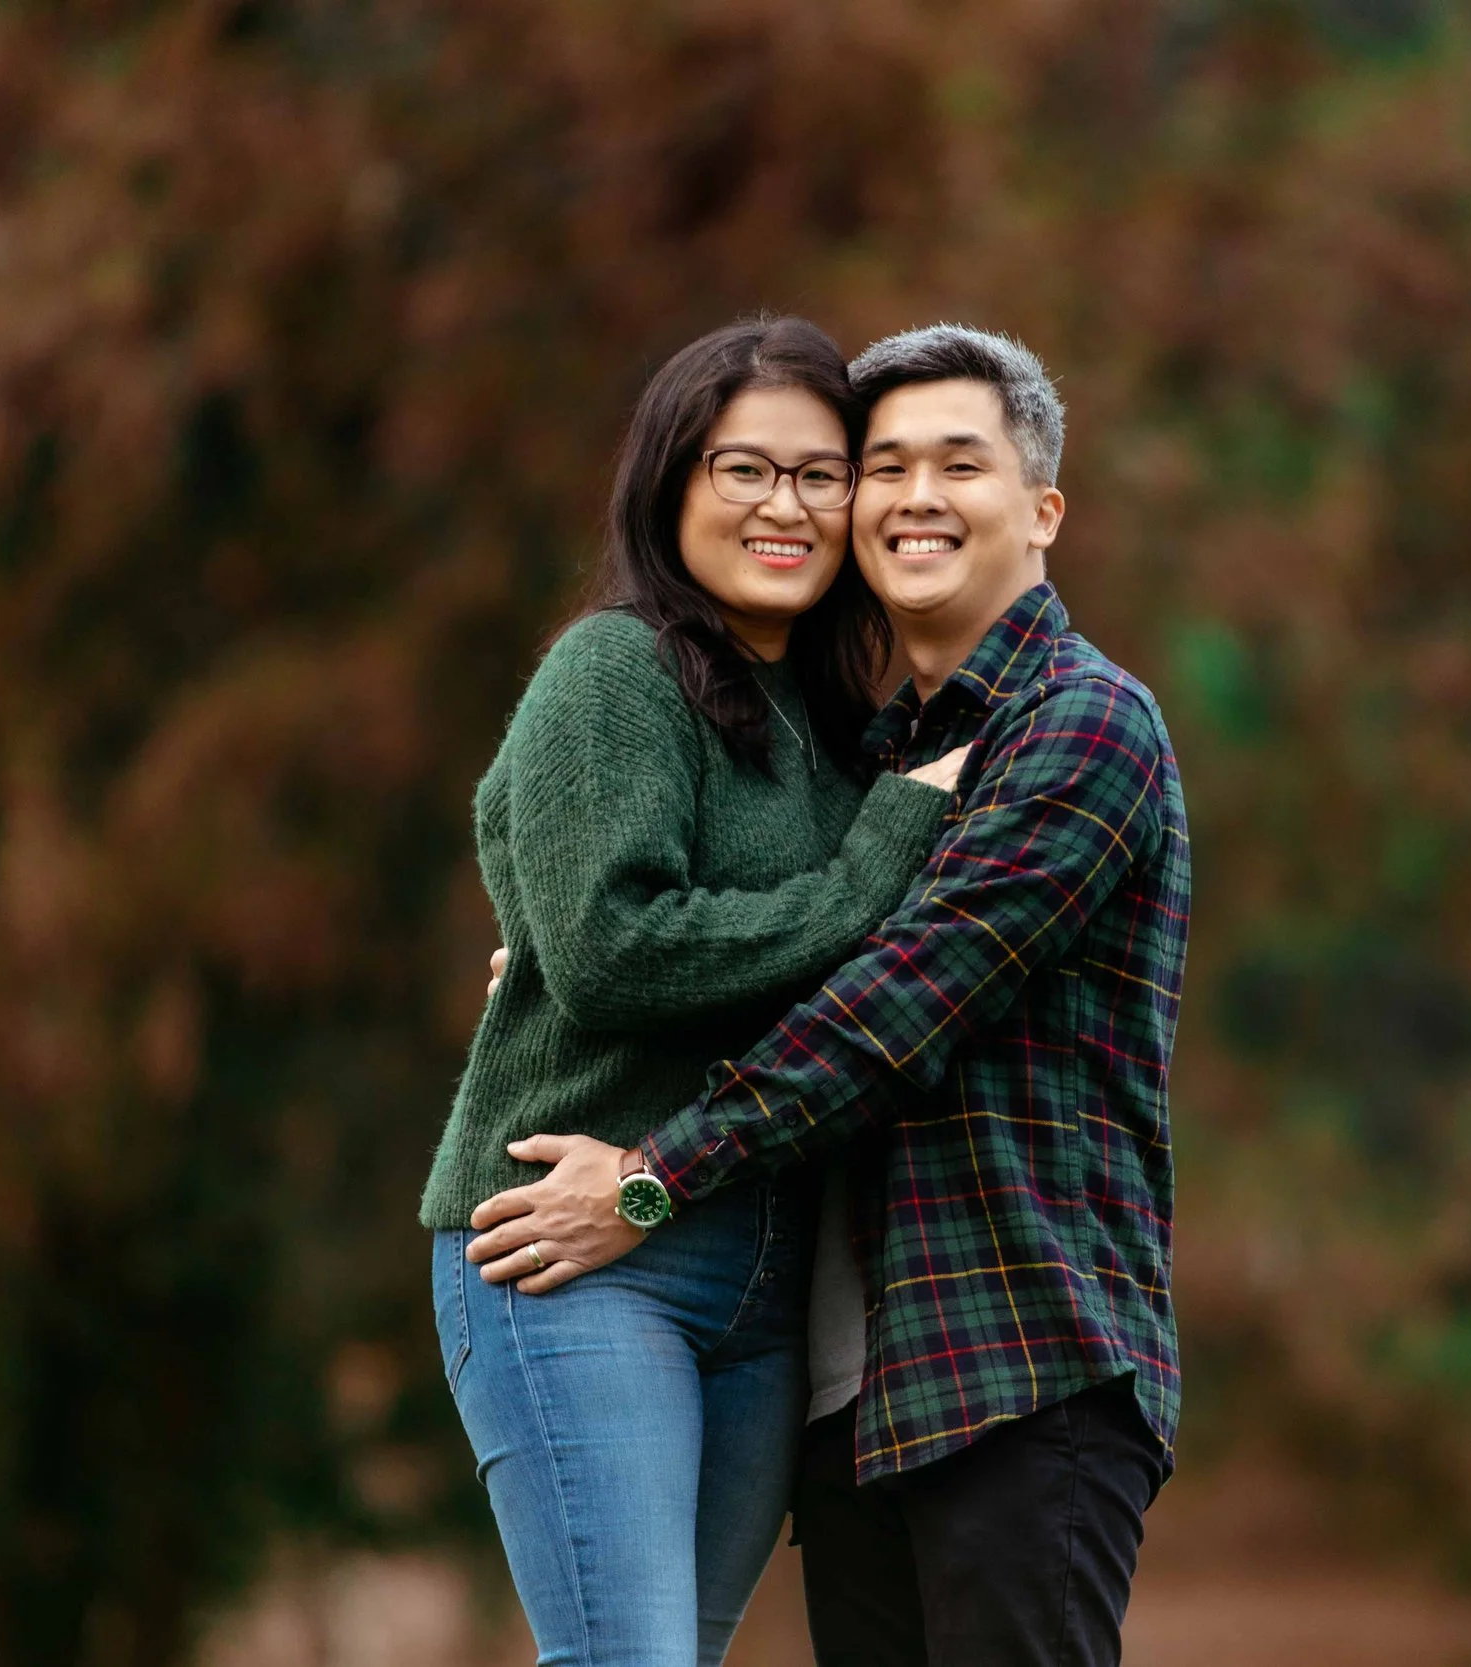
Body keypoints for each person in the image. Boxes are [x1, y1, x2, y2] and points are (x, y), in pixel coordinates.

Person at [469, 325, 1193, 1667]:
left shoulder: (1080, 727)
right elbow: (672, 929)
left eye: (958, 464)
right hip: (860, 1392)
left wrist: (643, 1179)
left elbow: (883, 1017)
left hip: (1020, 1365)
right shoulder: (872, 750)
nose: (911, 496)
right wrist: (568, 972)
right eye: (887, 465)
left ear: (1041, 509)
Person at [416, 314, 970, 1667]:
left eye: (819, 475)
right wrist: (872, 873)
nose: (786, 506)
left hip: (764, 1284)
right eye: (744, 469)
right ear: (672, 484)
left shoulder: (836, 724)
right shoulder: (616, 672)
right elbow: (613, 952)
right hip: (573, 1250)